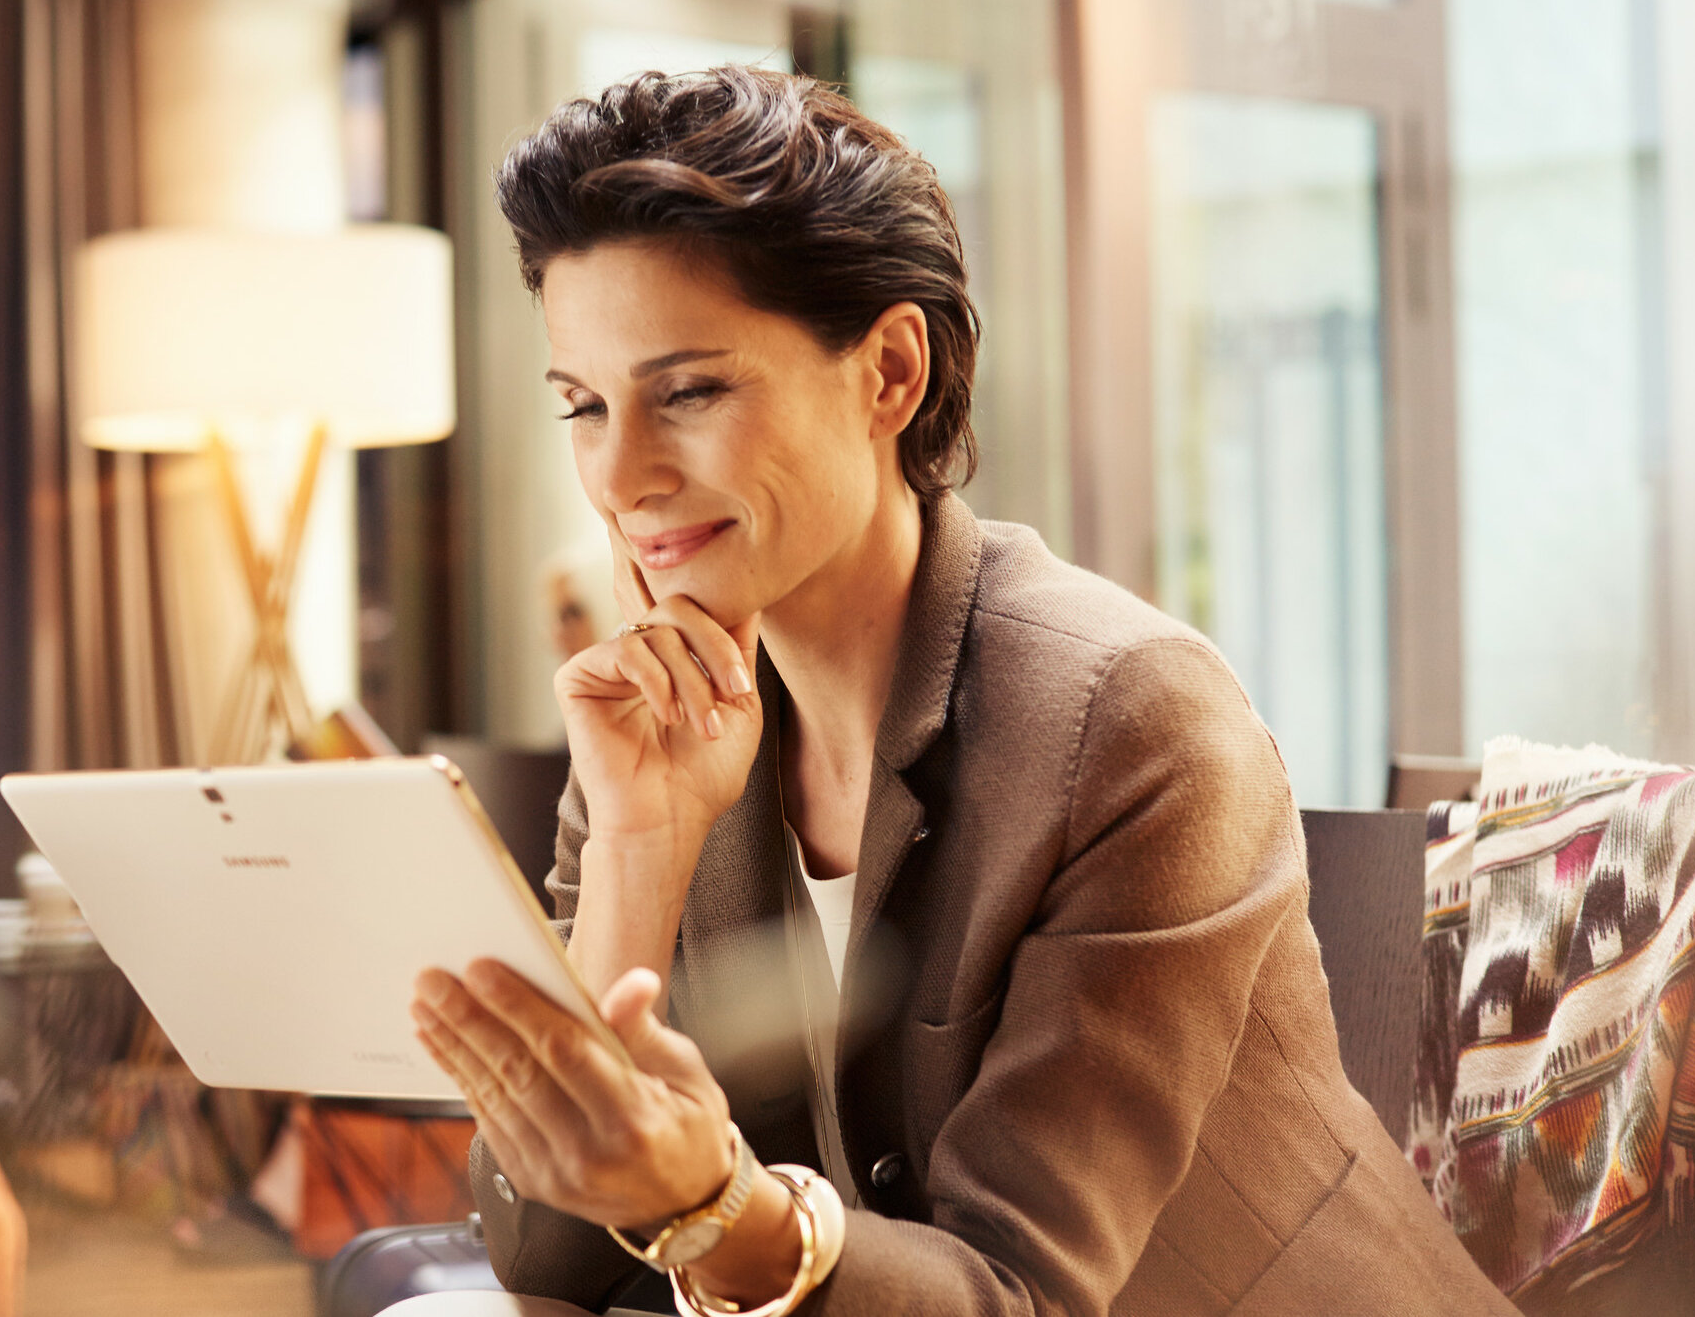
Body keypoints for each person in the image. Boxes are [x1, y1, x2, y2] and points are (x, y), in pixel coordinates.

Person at [404, 69, 1512, 1316]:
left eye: (690, 391)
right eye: (584, 405)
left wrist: (707, 1203)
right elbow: (546, 1256)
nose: (620, 475)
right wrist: (636, 854)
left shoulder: (1131, 721)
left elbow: (1017, 1291)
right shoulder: (655, 728)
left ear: (888, 371)